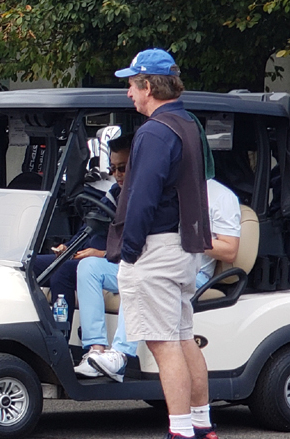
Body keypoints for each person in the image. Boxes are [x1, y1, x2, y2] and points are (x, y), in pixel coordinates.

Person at [110, 49, 218, 439]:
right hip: (182, 245)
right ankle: (202, 426)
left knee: (164, 343)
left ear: (149, 86)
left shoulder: (155, 132)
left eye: (132, 85)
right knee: (183, 336)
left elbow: (142, 197)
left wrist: (129, 250)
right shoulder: (187, 122)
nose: (128, 95)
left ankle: (181, 437)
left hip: (155, 247)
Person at [74, 155, 241, 382]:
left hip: (193, 272)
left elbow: (230, 250)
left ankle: (121, 355)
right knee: (90, 267)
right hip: (155, 261)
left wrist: (185, 237)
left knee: (143, 277)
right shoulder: (167, 189)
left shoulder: (220, 197)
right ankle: (96, 350)